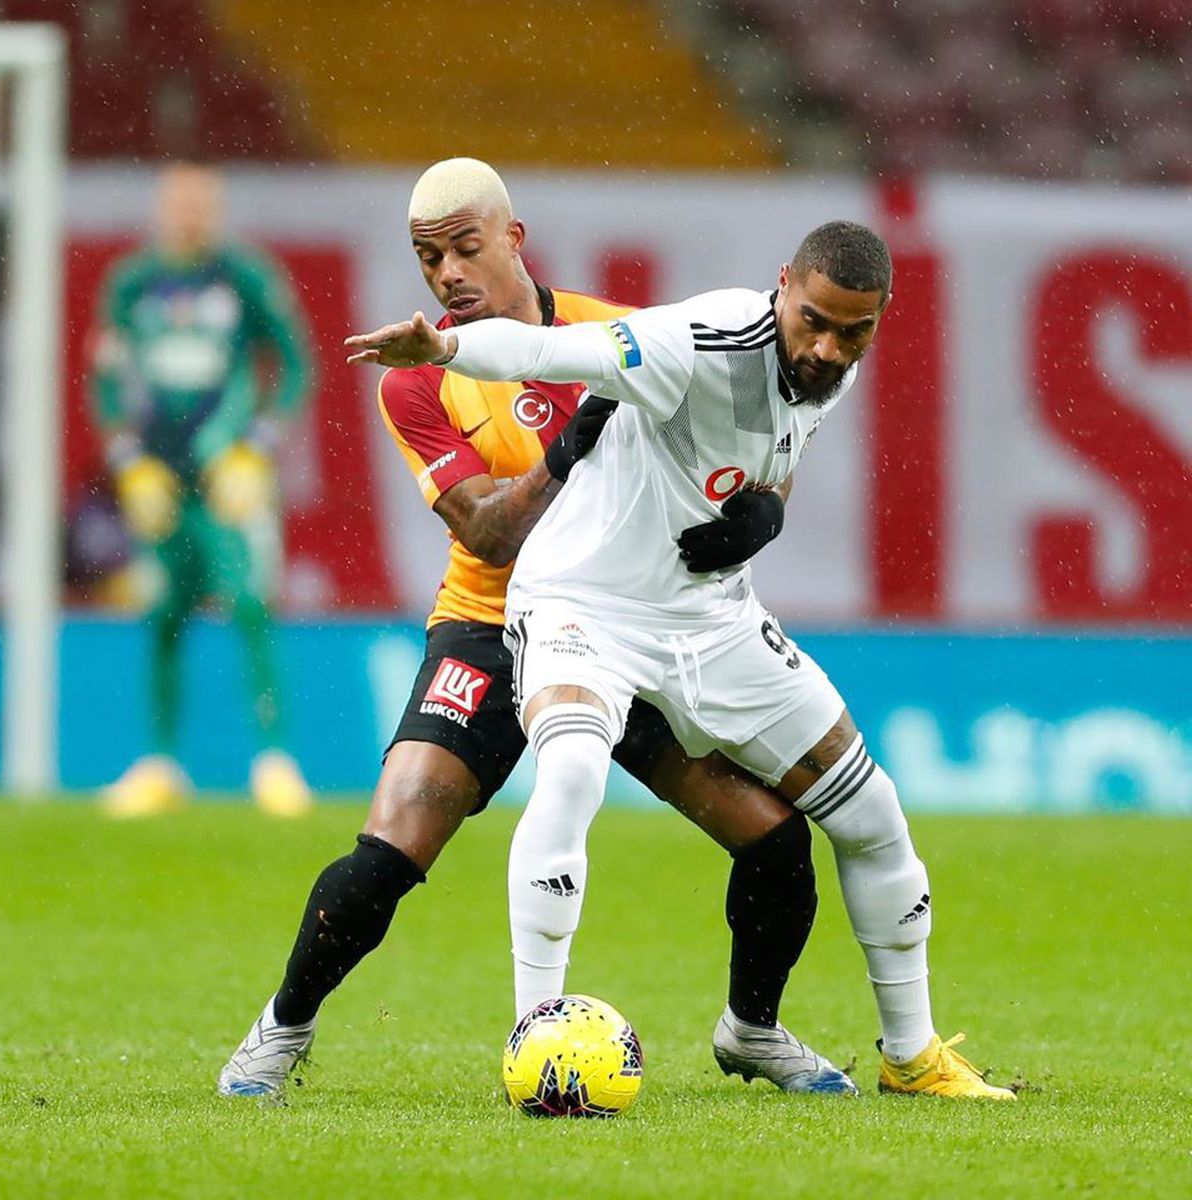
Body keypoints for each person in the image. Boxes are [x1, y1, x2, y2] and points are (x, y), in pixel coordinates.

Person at [219, 158, 856, 1099]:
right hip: (487, 622)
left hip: (615, 625)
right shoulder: (420, 380)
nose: (446, 275)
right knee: (394, 839)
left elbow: (757, 433)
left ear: (513, 241)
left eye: (464, 249)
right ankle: (280, 1028)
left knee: (773, 838)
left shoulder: (615, 336)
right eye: (427, 258)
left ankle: (751, 1031)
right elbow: (485, 527)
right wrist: (572, 447)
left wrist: (767, 508)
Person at [347, 218, 1017, 1100]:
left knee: (873, 814)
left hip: (709, 618)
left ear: (877, 318)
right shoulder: (701, 337)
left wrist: (766, 510)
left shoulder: (830, 364)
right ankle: (535, 1051)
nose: (826, 347)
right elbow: (549, 348)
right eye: (812, 320)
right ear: (782, 285)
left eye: (853, 331)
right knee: (576, 770)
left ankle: (911, 1055)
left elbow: (770, 453)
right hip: (585, 601)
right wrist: (445, 344)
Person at [91, 162, 314, 819]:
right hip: (162, 478)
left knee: (249, 603)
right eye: (178, 202)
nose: (188, 214)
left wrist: (258, 450)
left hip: (228, 478)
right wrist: (130, 462)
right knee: (162, 612)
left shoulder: (245, 278)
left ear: (214, 211)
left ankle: (275, 762)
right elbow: (104, 379)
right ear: (162, 209)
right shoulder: (132, 283)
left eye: (199, 203)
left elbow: (297, 365)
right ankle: (160, 763)